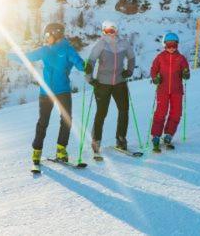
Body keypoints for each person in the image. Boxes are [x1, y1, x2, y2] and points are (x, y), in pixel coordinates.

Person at [8, 22, 85, 166]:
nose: (45, 38)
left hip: (63, 91)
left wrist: (86, 66)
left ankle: (61, 150)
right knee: (43, 122)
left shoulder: (68, 49)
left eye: (48, 35)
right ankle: (36, 152)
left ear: (56, 34)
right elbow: (26, 57)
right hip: (46, 93)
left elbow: (79, 63)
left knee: (66, 121)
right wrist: (10, 55)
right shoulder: (44, 50)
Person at [85, 20, 136, 155]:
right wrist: (90, 79)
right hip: (103, 84)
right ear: (103, 31)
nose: (110, 33)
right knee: (101, 113)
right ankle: (96, 141)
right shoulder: (100, 44)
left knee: (124, 110)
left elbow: (131, 57)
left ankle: (121, 139)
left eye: (112, 30)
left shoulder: (124, 43)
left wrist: (129, 71)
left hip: (120, 82)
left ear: (116, 31)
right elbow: (90, 61)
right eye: (107, 31)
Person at [149, 32, 190, 153]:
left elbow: (186, 73)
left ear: (177, 45)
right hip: (163, 90)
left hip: (177, 90)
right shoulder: (160, 57)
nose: (171, 48)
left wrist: (186, 74)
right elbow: (153, 70)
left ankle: (168, 134)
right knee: (161, 112)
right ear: (164, 45)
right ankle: (156, 135)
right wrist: (155, 78)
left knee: (176, 113)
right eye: (168, 45)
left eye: (174, 45)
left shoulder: (181, 58)